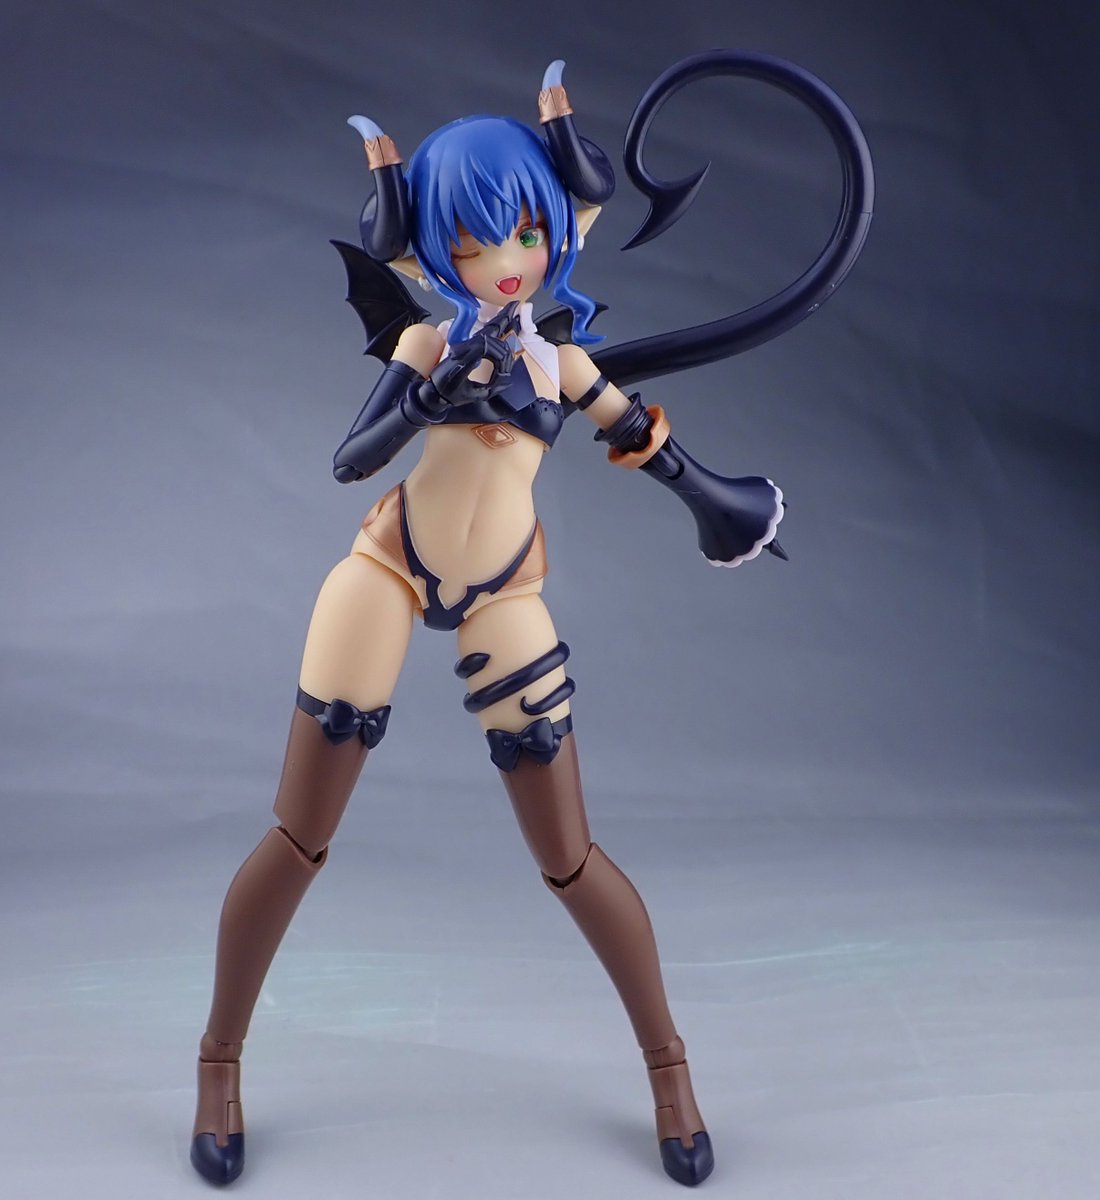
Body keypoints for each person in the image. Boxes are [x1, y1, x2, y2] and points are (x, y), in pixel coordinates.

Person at [190, 53, 873, 1189]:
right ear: (431, 251)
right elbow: (349, 460)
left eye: (520, 236)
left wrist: (717, 506)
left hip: (505, 590)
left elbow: (643, 438)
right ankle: (218, 1061)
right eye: (469, 247)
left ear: (556, 228)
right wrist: (426, 396)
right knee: (300, 834)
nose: (502, 263)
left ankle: (669, 1071)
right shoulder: (424, 341)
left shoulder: (561, 364)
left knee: (567, 855)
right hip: (388, 569)